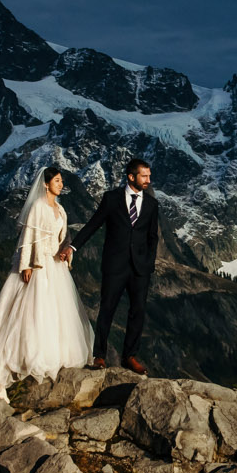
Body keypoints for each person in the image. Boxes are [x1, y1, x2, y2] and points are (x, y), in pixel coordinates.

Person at [0, 167, 93, 399]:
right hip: (38, 264)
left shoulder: (61, 209)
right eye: (56, 181)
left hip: (55, 266)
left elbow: (63, 238)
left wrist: (67, 252)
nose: (60, 184)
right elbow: (27, 238)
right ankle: (24, 358)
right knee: (31, 311)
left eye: (61, 181)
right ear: (45, 184)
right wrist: (25, 265)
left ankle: (52, 356)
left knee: (53, 313)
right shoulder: (38, 207)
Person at [66, 158, 163, 373]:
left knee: (138, 310)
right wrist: (73, 247)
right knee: (107, 309)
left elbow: (152, 237)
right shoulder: (111, 199)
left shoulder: (151, 204)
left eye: (149, 175)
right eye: (144, 176)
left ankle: (129, 356)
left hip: (140, 268)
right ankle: (99, 356)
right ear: (131, 177)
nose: (149, 179)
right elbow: (93, 224)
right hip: (115, 264)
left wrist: (148, 262)